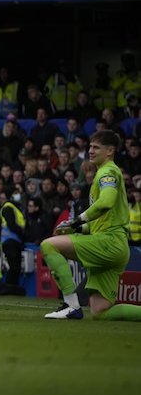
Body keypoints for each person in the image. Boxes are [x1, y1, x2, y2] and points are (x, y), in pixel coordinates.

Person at [42, 130, 141, 321]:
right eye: (90, 147)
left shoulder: (108, 172)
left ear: (110, 151)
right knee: (100, 312)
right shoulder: (104, 173)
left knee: (49, 245)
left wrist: (76, 220)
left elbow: (106, 202)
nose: (90, 151)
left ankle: (71, 306)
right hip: (115, 244)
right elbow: (101, 221)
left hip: (109, 242)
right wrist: (76, 228)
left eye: (96, 147)